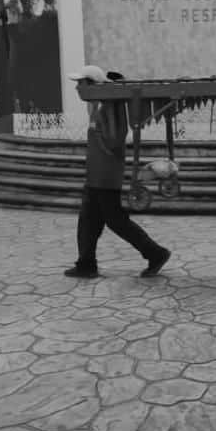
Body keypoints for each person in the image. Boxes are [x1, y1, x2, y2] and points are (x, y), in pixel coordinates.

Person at [64, 65, 171, 279]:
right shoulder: (98, 106)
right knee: (88, 220)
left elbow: (116, 139)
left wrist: (102, 148)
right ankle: (86, 264)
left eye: (81, 83)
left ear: (93, 85)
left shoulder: (110, 107)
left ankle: (156, 253)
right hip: (96, 175)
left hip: (105, 176)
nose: (77, 87)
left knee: (116, 221)